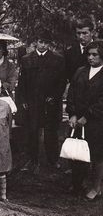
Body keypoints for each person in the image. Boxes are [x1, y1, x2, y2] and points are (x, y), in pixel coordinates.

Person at [16, 31, 66, 174]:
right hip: (32, 101)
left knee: (51, 131)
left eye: (46, 42)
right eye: (40, 41)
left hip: (50, 101)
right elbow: (22, 82)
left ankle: (53, 159)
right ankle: (33, 159)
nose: (43, 45)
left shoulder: (57, 59)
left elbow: (62, 81)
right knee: (32, 130)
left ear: (49, 44)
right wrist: (23, 100)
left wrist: (55, 96)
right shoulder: (27, 59)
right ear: (35, 42)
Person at [66, 41, 103, 201]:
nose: (91, 57)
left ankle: (96, 186)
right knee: (77, 151)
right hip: (78, 120)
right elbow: (71, 93)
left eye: (95, 54)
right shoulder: (80, 71)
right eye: (88, 54)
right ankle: (78, 183)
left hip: (96, 121)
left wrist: (87, 116)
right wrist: (73, 114)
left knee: (96, 155)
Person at [64, 17, 95, 196]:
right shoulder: (71, 52)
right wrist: (72, 109)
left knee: (95, 143)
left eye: (85, 33)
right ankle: (78, 178)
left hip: (96, 102)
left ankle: (93, 179)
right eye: (78, 33)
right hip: (78, 100)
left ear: (92, 32)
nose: (82, 37)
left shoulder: (98, 49)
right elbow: (69, 79)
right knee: (77, 139)